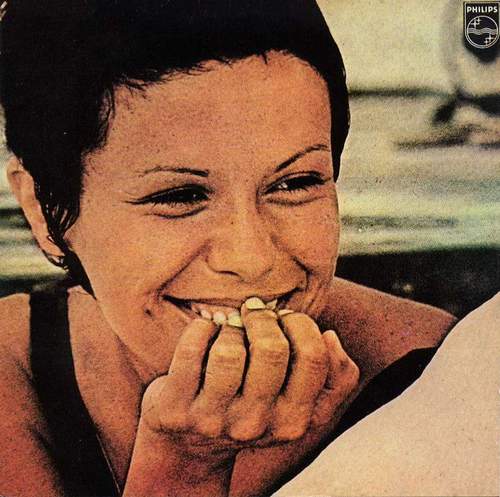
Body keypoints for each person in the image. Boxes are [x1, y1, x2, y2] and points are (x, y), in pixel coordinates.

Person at [0, 1, 455, 496]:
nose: (251, 259)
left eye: (296, 183)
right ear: (43, 210)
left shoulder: (444, 372)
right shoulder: (12, 374)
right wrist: (184, 465)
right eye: (180, 196)